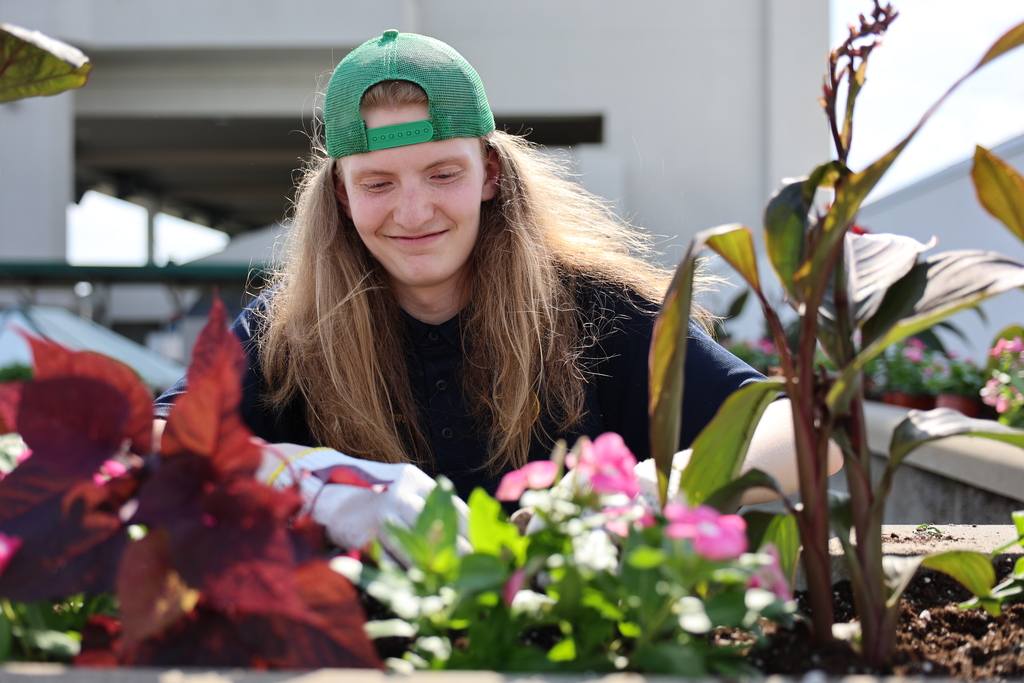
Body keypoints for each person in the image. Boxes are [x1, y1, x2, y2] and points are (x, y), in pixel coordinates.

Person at [154, 30, 838, 507]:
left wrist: (634, 497)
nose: (413, 211)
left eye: (442, 172)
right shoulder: (287, 328)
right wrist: (315, 477)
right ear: (340, 195)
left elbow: (809, 433)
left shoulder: (594, 312)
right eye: (378, 183)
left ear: (490, 173)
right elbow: (158, 443)